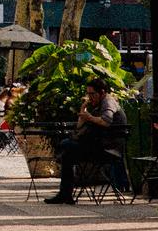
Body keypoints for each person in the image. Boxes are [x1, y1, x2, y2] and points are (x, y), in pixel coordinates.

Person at [43, 76, 127, 204]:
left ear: (102, 92)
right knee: (67, 154)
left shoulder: (108, 102)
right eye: (88, 94)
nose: (90, 97)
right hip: (98, 145)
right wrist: (83, 114)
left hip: (108, 149)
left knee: (66, 146)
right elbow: (80, 127)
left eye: (92, 94)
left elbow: (106, 121)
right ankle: (65, 194)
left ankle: (65, 193)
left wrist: (89, 117)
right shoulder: (96, 104)